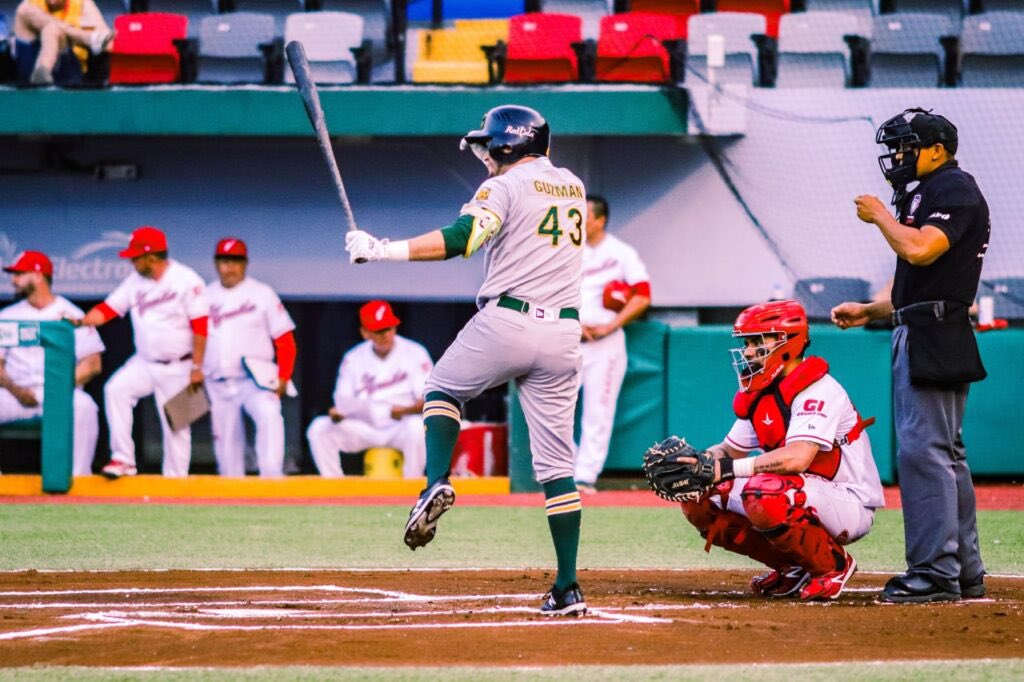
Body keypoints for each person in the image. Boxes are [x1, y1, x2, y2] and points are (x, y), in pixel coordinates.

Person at [345, 105, 588, 616]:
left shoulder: (504, 187)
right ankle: (567, 587)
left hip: (510, 319)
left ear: (507, 145)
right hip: (566, 330)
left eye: (490, 145)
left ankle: (434, 481)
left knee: (442, 389)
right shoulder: (573, 186)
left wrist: (381, 250)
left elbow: (463, 239)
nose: (485, 155)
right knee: (557, 471)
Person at [832, 108, 989, 603]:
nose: (896, 156)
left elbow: (922, 250)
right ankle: (962, 571)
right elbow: (922, 278)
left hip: (933, 331)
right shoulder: (930, 190)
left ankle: (934, 574)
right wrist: (873, 309)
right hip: (926, 323)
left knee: (924, 454)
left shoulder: (952, 188)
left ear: (937, 150)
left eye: (906, 146)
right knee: (945, 455)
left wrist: (881, 215)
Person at [672, 300, 883, 601]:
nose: (747, 352)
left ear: (788, 343)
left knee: (764, 491)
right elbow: (729, 451)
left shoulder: (819, 389)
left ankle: (832, 566)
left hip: (848, 501)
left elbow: (797, 458)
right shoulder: (761, 391)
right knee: (702, 495)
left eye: (758, 341)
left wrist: (726, 469)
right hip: (802, 491)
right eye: (746, 342)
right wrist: (697, 463)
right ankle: (793, 567)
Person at [71, 226, 209, 479]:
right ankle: (123, 459)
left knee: (177, 427)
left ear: (152, 257)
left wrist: (197, 368)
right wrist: (81, 321)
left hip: (180, 364)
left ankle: (176, 482)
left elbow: (201, 326)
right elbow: (108, 309)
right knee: (116, 389)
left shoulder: (187, 280)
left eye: (136, 257)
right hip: (144, 362)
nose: (132, 262)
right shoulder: (135, 283)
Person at [0, 250, 103, 475]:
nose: (13, 280)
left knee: (85, 406)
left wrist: (57, 388)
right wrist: (15, 390)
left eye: (19, 274)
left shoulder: (71, 314)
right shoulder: (7, 316)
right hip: (15, 393)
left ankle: (79, 477)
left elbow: (93, 363)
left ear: (38, 276)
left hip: (59, 390)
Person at [573, 194, 651, 493]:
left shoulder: (621, 253)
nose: (579, 222)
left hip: (606, 342)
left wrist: (610, 325)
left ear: (600, 219)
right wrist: (572, 324)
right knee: (555, 409)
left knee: (598, 410)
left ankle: (585, 477)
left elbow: (642, 295)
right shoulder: (567, 250)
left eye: (584, 216)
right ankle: (563, 473)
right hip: (569, 337)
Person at [306, 300, 431, 479]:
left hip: (400, 423)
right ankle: (334, 487)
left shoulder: (415, 352)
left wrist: (405, 410)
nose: (385, 334)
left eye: (389, 328)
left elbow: (430, 400)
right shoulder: (353, 357)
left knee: (418, 428)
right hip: (365, 426)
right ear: (365, 333)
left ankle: (412, 485)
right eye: (378, 330)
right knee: (319, 428)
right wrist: (338, 413)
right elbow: (343, 399)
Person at [204, 238, 297, 478]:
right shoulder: (205, 295)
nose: (230, 267)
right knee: (226, 453)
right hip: (218, 383)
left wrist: (284, 376)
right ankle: (233, 499)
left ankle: (272, 479)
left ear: (245, 264)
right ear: (216, 264)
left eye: (235, 261)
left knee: (269, 413)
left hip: (255, 381)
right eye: (225, 261)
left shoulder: (261, 293)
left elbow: (284, 339)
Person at [12, 0, 113, 85]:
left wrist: (70, 38)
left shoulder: (83, 3)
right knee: (24, 10)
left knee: (52, 29)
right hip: (30, 64)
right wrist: (82, 36)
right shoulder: (31, 4)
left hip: (67, 67)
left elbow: (107, 41)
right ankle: (85, 37)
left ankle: (42, 70)